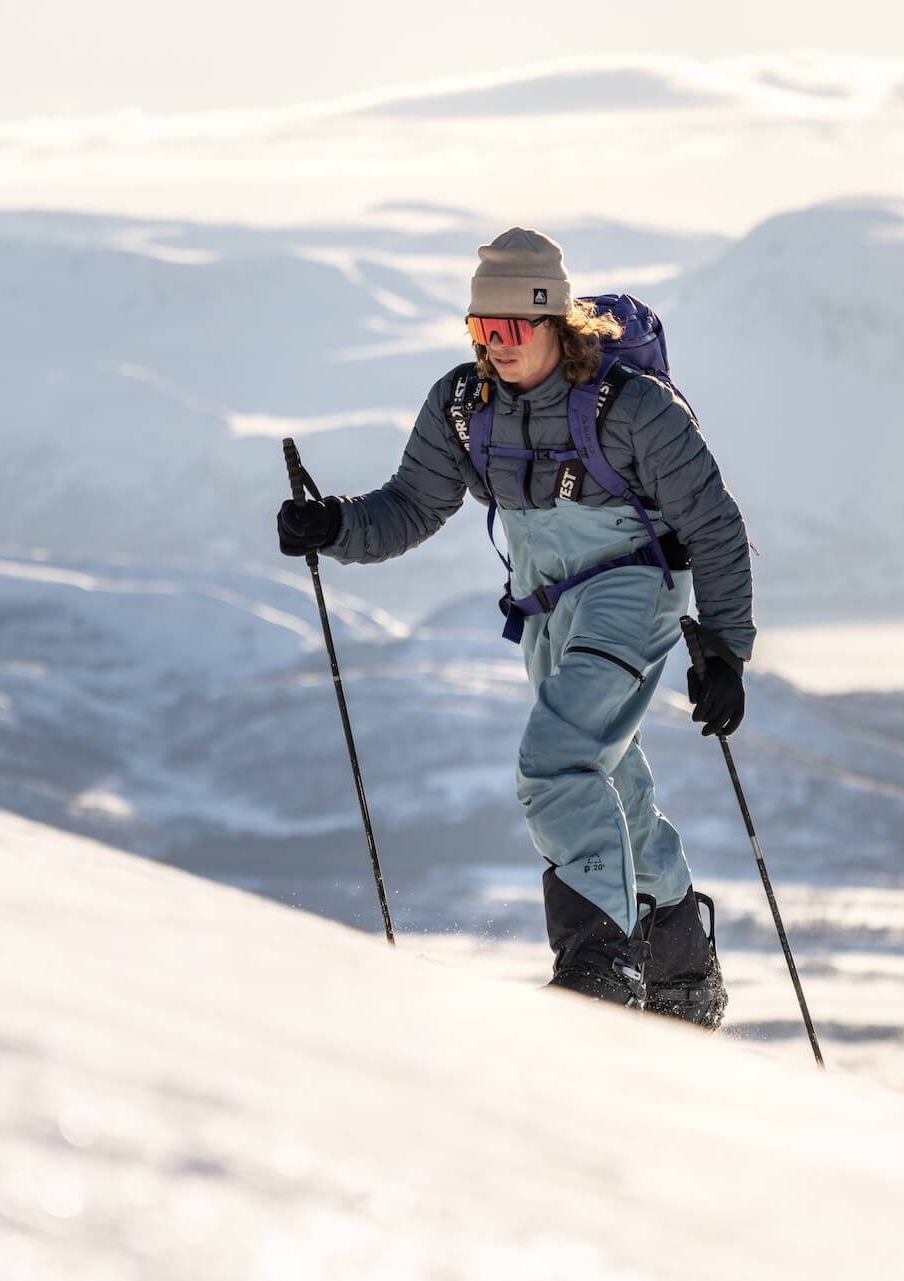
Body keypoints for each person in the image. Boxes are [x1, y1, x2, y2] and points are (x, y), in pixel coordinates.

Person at [276, 227, 753, 1025]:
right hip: (546, 609)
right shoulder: (464, 407)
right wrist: (334, 525)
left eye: (510, 327)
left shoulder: (634, 409)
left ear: (555, 321)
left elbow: (713, 521)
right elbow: (412, 504)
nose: (494, 345)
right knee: (611, 779)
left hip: (635, 587)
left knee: (556, 758)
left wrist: (727, 650)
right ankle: (680, 969)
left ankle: (601, 964)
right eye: (480, 327)